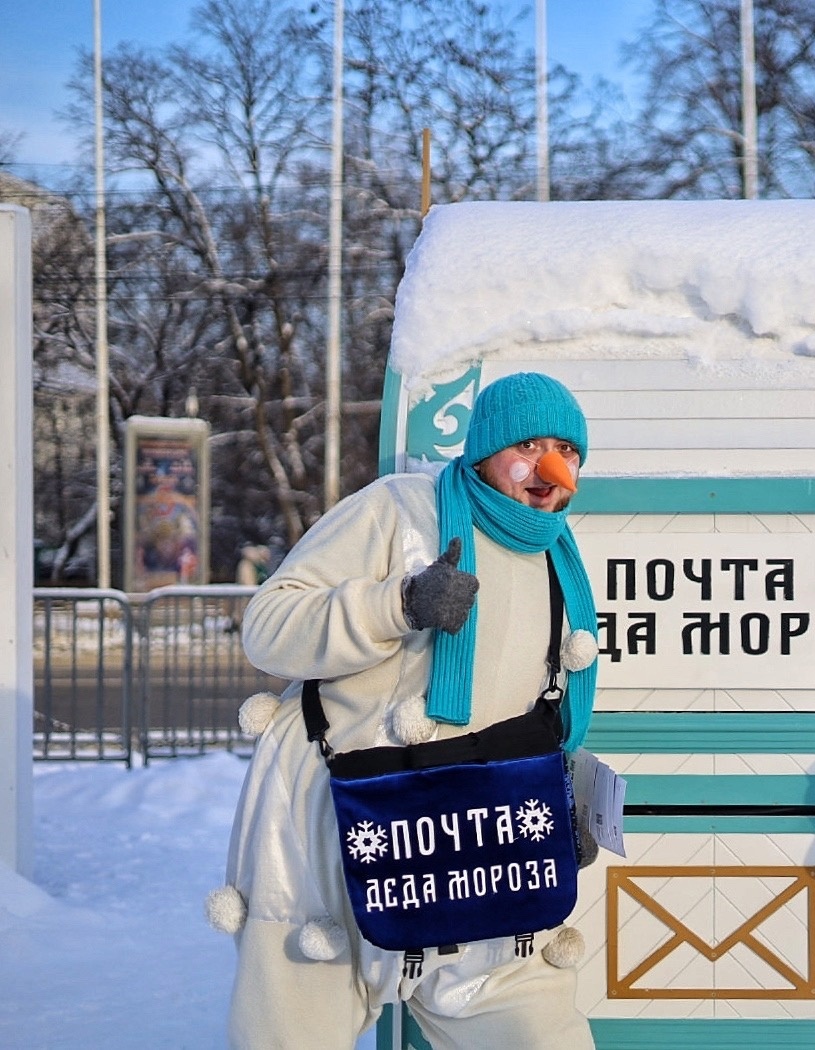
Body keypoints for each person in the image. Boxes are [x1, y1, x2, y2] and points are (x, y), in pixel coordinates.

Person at [208, 371, 603, 1050]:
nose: (548, 466)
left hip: (479, 843)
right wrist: (398, 604)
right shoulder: (399, 510)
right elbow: (268, 628)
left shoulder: (557, 558)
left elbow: (540, 710)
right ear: (483, 450)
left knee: (540, 1036)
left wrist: (564, 807)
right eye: (529, 444)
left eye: (566, 449)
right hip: (338, 835)